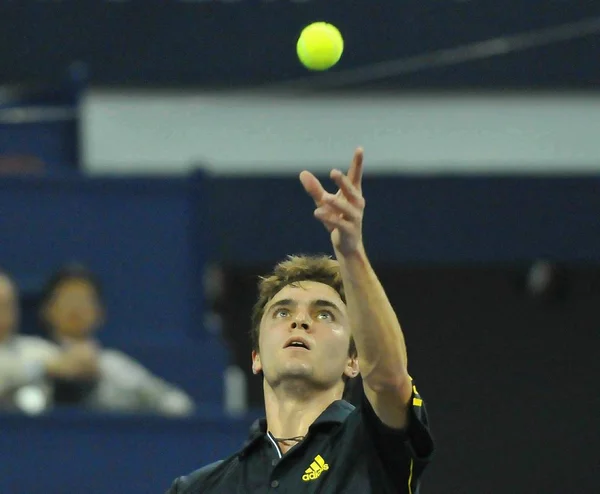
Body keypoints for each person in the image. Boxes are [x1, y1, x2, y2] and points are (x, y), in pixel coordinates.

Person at [166, 148, 434, 493]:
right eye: (282, 312)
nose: (300, 322)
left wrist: (351, 251)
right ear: (256, 357)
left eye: (324, 314)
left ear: (354, 360)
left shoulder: (371, 444)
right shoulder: (198, 488)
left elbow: (388, 380)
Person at [39, 264, 196, 416]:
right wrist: (49, 368)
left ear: (100, 312)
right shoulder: (29, 352)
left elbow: (177, 403)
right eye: (68, 299)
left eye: (84, 300)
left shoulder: (115, 366)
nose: (76, 308)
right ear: (47, 309)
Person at [0, 270, 97, 412]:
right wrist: (42, 369)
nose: (3, 313)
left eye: (8, 305)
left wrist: (82, 360)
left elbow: (74, 362)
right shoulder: (43, 362)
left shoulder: (36, 349)